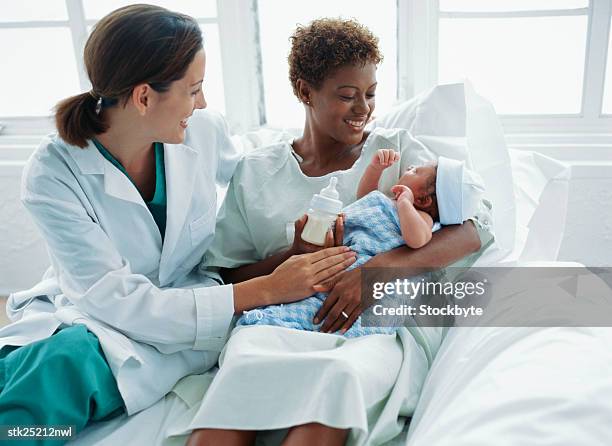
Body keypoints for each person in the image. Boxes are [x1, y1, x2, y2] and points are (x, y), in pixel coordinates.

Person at [0, 6, 354, 443]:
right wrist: (267, 288)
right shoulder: (53, 172)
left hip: (180, 315)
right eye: (194, 90)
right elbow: (114, 299)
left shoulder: (201, 130)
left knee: (55, 374)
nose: (202, 103)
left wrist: (328, 140)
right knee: (48, 375)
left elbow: (259, 173)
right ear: (144, 97)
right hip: (102, 315)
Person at [185, 18, 493, 446]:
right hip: (278, 322)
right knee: (243, 374)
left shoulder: (397, 150)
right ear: (304, 91)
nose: (363, 109)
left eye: (370, 94)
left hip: (372, 329)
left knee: (338, 381)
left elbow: (476, 228)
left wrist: (379, 271)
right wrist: (293, 256)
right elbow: (225, 277)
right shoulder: (256, 172)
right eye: (347, 96)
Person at [235, 151, 485, 337]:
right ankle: (281, 323)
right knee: (314, 299)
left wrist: (405, 205)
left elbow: (418, 239)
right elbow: (366, 197)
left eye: (417, 171)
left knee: (327, 308)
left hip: (370, 272)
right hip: (345, 259)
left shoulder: (422, 218)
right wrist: (375, 169)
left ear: (423, 199)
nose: (410, 167)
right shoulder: (388, 200)